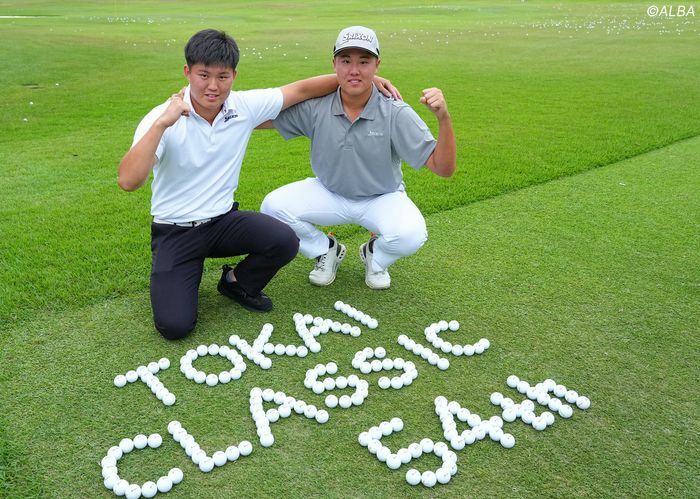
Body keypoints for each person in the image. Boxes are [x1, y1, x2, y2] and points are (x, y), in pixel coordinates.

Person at [118, 29, 397, 339]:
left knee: (284, 239)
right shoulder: (161, 118)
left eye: (222, 76)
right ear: (188, 72)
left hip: (221, 222)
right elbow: (129, 181)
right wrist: (161, 124)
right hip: (176, 231)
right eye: (203, 75)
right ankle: (184, 275)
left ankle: (236, 283)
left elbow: (301, 90)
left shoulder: (243, 106)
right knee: (175, 326)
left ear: (234, 75)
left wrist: (362, 81)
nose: (213, 86)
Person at [260, 26, 456, 290]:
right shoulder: (318, 106)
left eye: (364, 61)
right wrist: (211, 109)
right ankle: (325, 250)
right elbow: (260, 118)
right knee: (272, 207)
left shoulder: (395, 111)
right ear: (334, 64)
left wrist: (443, 117)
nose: (354, 70)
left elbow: (443, 168)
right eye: (346, 61)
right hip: (329, 192)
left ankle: (374, 257)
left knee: (411, 235)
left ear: (377, 64)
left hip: (382, 197)